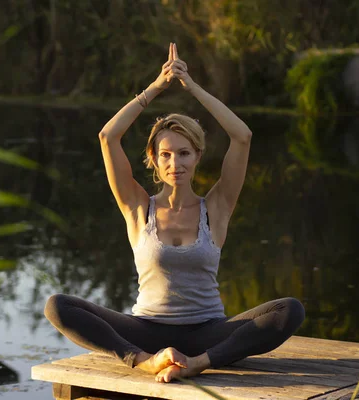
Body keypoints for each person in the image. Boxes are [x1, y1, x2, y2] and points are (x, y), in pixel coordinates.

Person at [44, 42, 305, 383]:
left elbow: (242, 136)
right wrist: (155, 88)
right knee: (58, 306)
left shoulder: (217, 206)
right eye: (165, 154)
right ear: (153, 158)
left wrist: (192, 87)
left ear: (197, 156)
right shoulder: (138, 207)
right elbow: (108, 136)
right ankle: (145, 362)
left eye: (184, 153)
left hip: (210, 332)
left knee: (290, 310)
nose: (175, 163)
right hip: (144, 330)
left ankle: (200, 363)